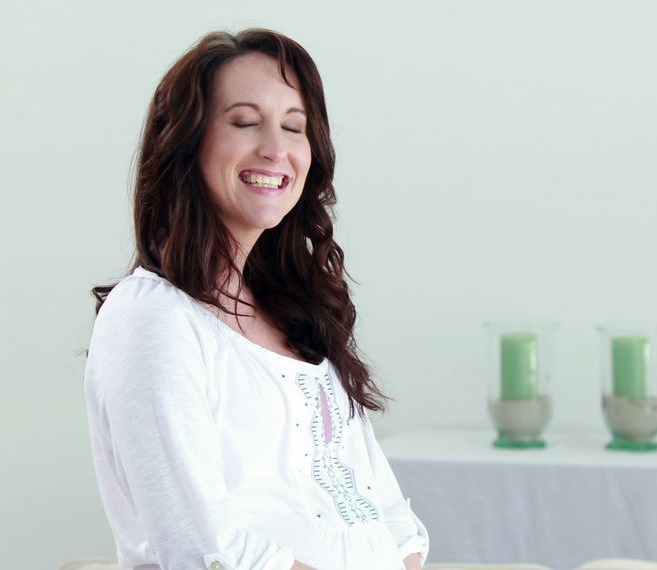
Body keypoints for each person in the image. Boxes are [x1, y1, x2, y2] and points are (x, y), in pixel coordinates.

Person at [83, 29, 428, 570]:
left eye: (295, 127)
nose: (276, 148)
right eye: (244, 122)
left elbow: (384, 510)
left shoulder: (297, 312)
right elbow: (202, 546)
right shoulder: (153, 317)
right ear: (186, 143)